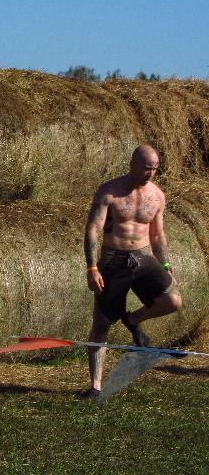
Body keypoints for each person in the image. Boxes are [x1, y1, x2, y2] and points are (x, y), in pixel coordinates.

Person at [81, 144, 182, 399]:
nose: (150, 174)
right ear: (133, 165)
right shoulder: (110, 191)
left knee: (173, 300)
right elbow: (93, 229)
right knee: (102, 324)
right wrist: (92, 267)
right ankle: (96, 386)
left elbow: (158, 235)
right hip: (113, 260)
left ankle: (133, 319)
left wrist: (167, 267)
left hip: (143, 257)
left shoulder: (157, 196)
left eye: (155, 169)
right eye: (147, 168)